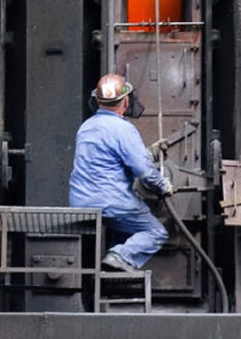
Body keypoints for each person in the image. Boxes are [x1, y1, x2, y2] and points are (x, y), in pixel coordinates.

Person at [68, 72, 170, 272]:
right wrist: (162, 185)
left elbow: (106, 159)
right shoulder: (123, 129)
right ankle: (119, 256)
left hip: (82, 202)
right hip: (113, 204)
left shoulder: (86, 127)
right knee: (156, 231)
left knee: (123, 232)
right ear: (125, 101)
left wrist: (148, 152)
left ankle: (113, 277)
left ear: (97, 101)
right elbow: (143, 170)